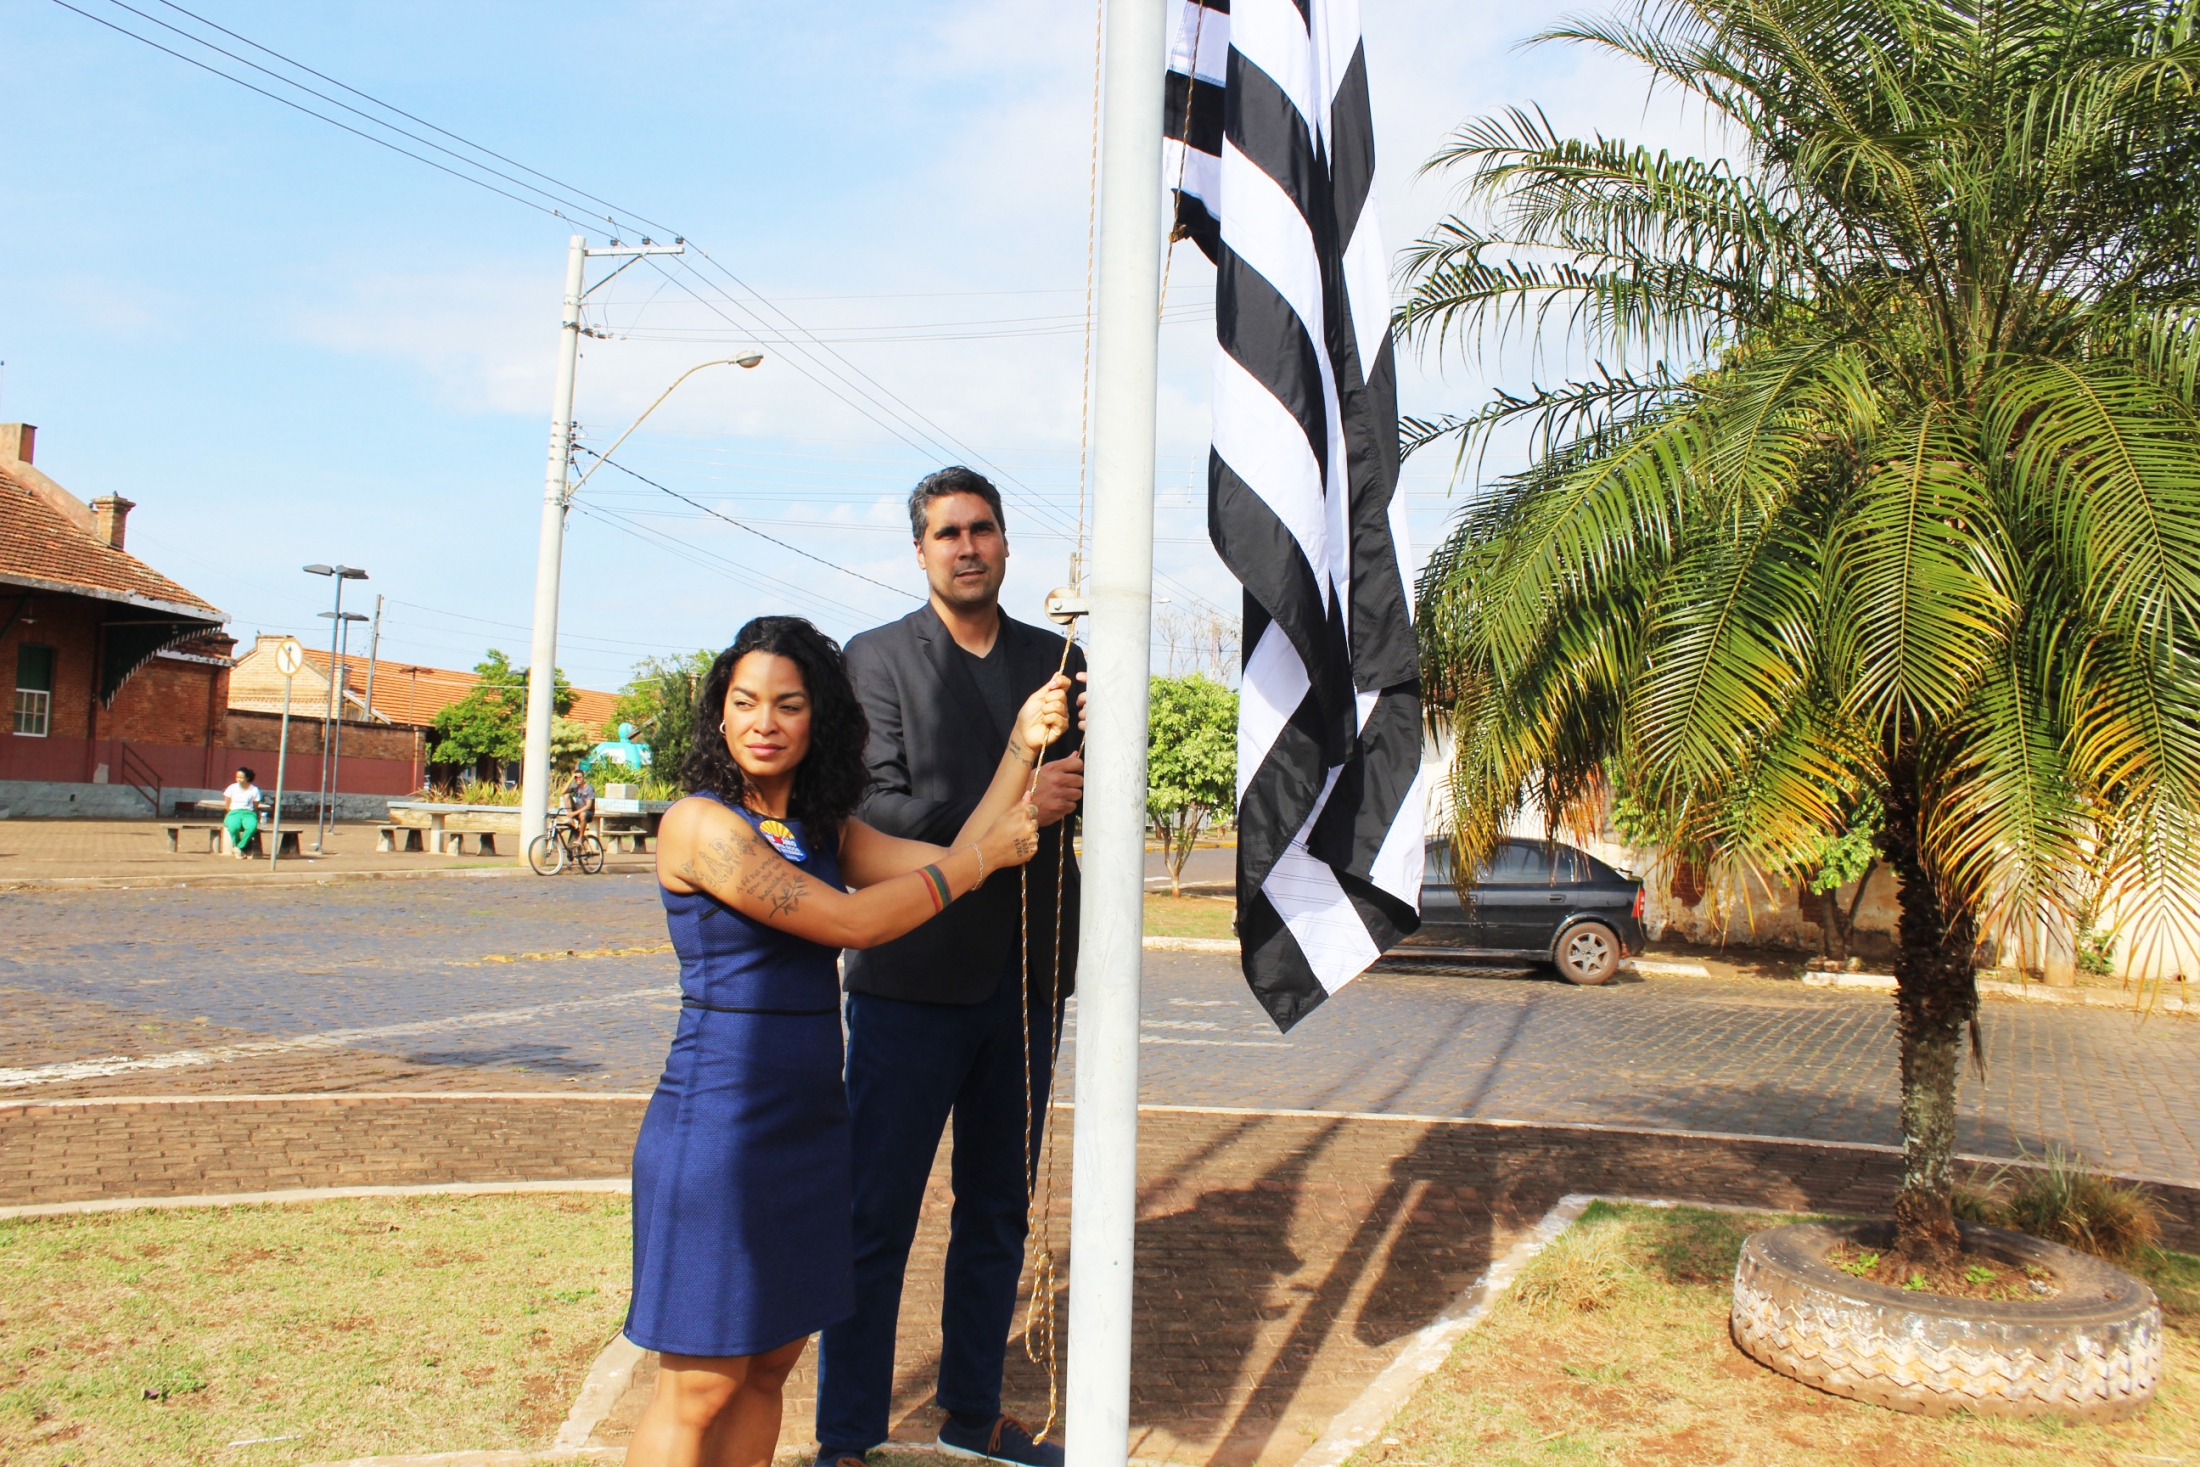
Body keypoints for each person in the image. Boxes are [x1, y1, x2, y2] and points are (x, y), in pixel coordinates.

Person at [623, 614, 1073, 1467]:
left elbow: (953, 849)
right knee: (701, 1384)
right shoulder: (700, 825)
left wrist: (1020, 745)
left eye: (787, 704)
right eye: (744, 701)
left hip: (808, 1129)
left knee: (767, 1370)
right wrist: (982, 862)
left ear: (817, 718)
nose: (763, 721)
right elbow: (854, 921)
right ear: (719, 712)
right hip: (718, 1130)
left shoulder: (825, 831)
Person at [816, 467, 1086, 1467]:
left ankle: (972, 1414)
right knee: (873, 1214)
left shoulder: (1059, 660)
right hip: (909, 980)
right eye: (946, 533)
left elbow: (1086, 798)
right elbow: (877, 812)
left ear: (1006, 542)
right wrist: (1016, 808)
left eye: (981, 529)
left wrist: (1066, 799)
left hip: (1025, 979)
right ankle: (846, 1433)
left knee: (997, 1213)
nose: (966, 546)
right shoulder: (876, 660)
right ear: (920, 551)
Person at [221, 768, 262, 858]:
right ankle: (237, 845)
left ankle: (239, 847)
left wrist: (251, 813)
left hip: (249, 813)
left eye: (241, 777)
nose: (239, 779)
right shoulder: (232, 788)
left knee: (251, 827)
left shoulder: (254, 790)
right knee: (233, 827)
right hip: (234, 812)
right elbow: (227, 804)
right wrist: (232, 813)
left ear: (247, 778)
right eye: (237, 777)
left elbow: (256, 805)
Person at [564, 767, 597, 835]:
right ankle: (571, 820)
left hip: (588, 813)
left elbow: (588, 806)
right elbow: (563, 792)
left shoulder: (589, 788)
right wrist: (571, 778)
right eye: (576, 777)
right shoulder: (575, 786)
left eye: (580, 777)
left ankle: (580, 837)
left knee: (583, 814)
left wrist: (574, 813)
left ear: (583, 778)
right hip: (578, 810)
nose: (578, 779)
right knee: (566, 795)